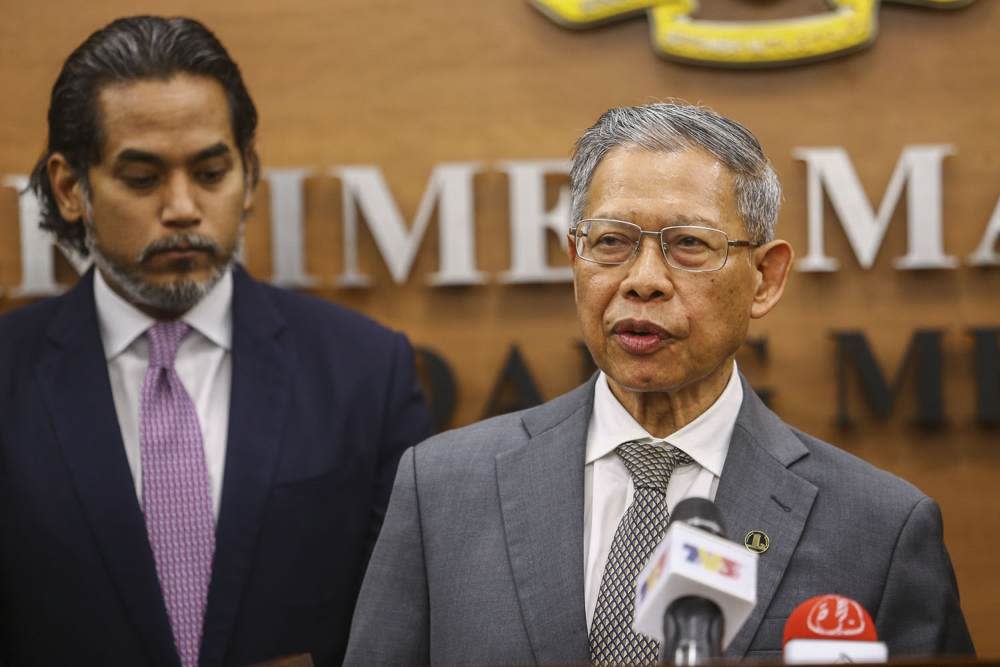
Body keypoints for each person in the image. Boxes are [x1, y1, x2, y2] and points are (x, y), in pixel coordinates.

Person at [344, 102, 974, 666]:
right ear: (575, 259)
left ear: (765, 278)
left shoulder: (879, 527)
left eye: (688, 245)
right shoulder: (444, 487)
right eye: (612, 242)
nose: (644, 279)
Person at [0, 16, 430, 667]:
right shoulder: (9, 375)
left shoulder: (365, 371)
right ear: (70, 188)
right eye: (142, 178)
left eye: (210, 172)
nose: (182, 208)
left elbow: (407, 628)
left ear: (249, 173)